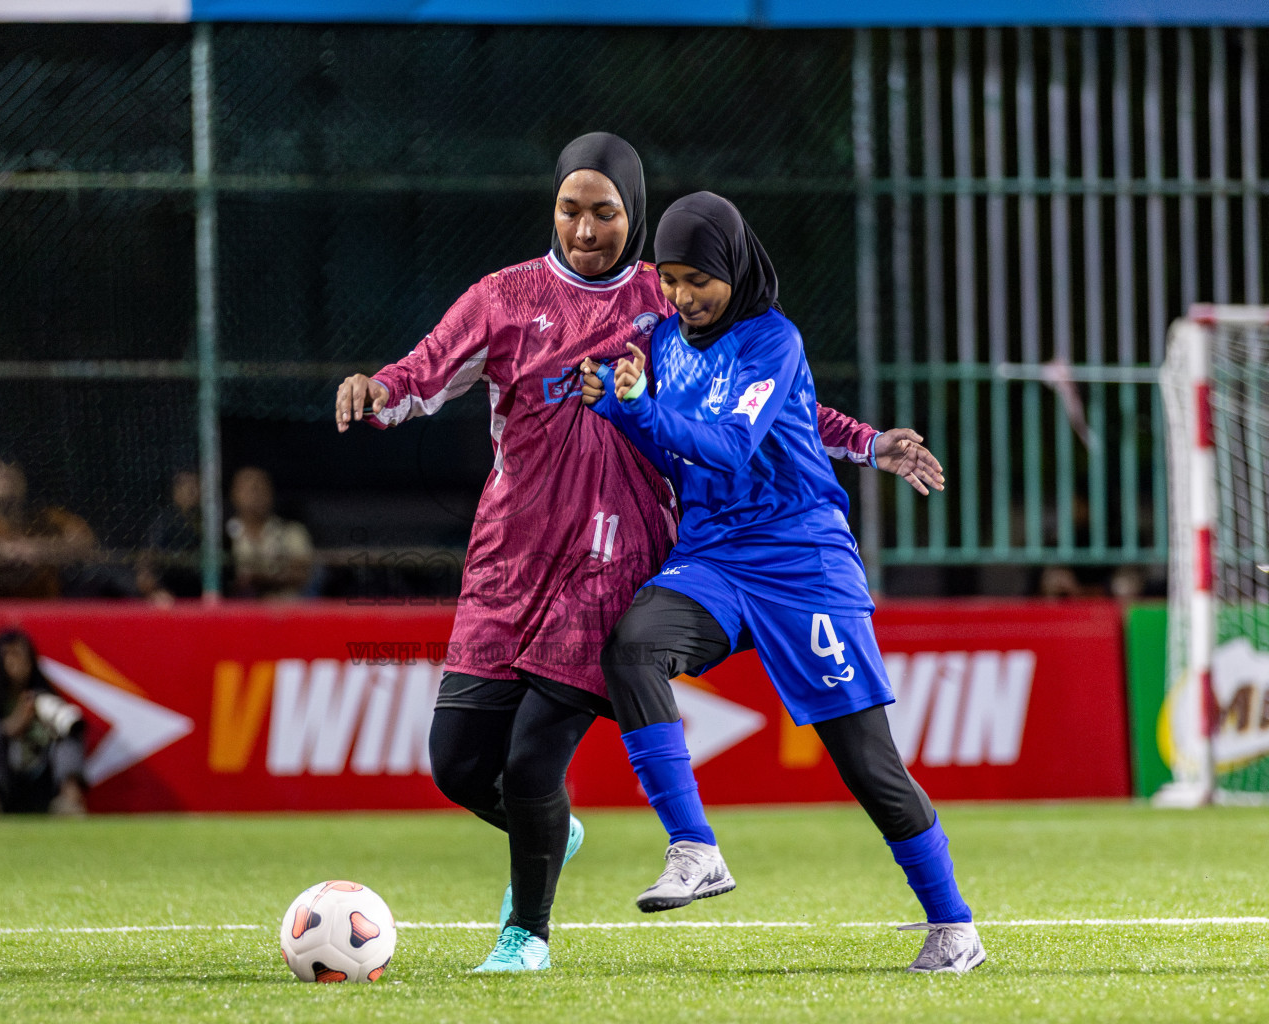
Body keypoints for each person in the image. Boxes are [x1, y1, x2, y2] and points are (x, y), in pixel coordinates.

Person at [335, 133, 944, 973]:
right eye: (571, 210)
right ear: (552, 208)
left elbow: (771, 401)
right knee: (459, 765)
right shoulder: (505, 296)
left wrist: (869, 443)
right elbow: (425, 371)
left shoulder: (668, 302)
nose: (587, 230)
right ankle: (563, 833)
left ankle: (528, 937)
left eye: (606, 213)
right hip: (508, 561)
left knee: (536, 757)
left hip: (617, 560)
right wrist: (380, 388)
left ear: (636, 215)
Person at [583, 191, 982, 974]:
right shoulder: (664, 342)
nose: (683, 297)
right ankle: (695, 847)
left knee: (867, 762)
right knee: (633, 651)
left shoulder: (773, 339)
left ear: (733, 266)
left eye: (698, 279)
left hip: (801, 564)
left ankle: (954, 924)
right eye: (669, 281)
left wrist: (635, 409)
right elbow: (703, 443)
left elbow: (730, 445)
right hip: (714, 557)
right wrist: (629, 409)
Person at [0, 458, 97, 598]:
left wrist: (37, 549)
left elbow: (84, 540)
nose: (4, 480)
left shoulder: (46, 518)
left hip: (42, 608)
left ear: (23, 482)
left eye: (10, 475)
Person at [0, 629, 87, 816]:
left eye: (22, 655)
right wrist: (9, 728)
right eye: (10, 655)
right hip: (3, 782)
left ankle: (70, 798)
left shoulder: (42, 697)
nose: (17, 662)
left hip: (39, 780)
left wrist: (52, 725)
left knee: (68, 732)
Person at [225, 467, 313, 599]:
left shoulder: (292, 531)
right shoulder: (221, 535)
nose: (255, 495)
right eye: (248, 489)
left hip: (283, 610)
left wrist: (260, 579)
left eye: (260, 488)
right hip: (237, 611)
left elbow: (301, 575)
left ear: (271, 493)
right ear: (233, 494)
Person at [137, 469, 204, 601]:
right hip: (170, 586)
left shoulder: (210, 521)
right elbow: (148, 557)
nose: (191, 489)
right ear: (175, 492)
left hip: (201, 586)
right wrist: (153, 586)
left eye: (195, 484)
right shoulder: (165, 520)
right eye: (184, 484)